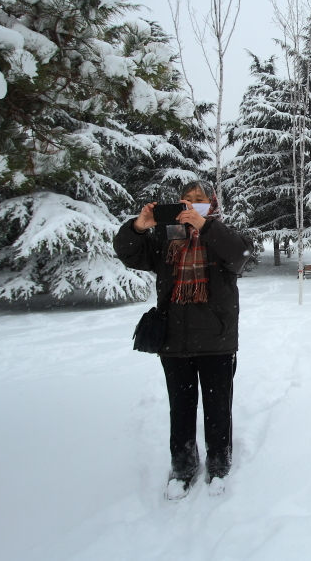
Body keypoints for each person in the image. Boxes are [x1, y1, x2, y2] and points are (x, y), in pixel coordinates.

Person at [113, 181, 253, 500]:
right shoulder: (167, 237)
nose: (191, 204)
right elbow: (129, 253)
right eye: (186, 199)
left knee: (217, 407)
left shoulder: (222, 235)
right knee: (181, 407)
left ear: (211, 203)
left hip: (217, 339)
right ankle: (183, 467)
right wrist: (138, 227)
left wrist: (204, 226)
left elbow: (241, 255)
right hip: (174, 340)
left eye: (199, 199)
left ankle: (218, 465)